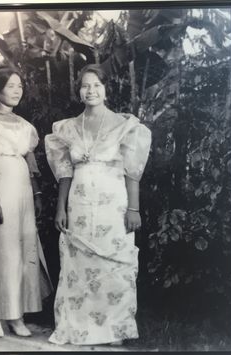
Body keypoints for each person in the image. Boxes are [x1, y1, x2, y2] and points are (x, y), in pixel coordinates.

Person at [45, 64, 152, 346]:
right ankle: (79, 327)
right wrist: (60, 208)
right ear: (79, 91)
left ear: (106, 89)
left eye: (96, 85)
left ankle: (114, 328)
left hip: (113, 204)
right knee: (79, 265)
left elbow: (133, 171)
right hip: (79, 204)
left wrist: (134, 209)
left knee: (114, 263)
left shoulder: (124, 125)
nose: (91, 91)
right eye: (85, 86)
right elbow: (65, 172)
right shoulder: (68, 128)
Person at [0, 68, 52, 338]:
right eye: (11, 85)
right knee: (2, 251)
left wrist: (37, 194)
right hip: (0, 189)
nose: (17, 90)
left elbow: (30, 160)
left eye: (20, 86)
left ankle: (17, 315)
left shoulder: (24, 126)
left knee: (24, 250)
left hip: (24, 191)